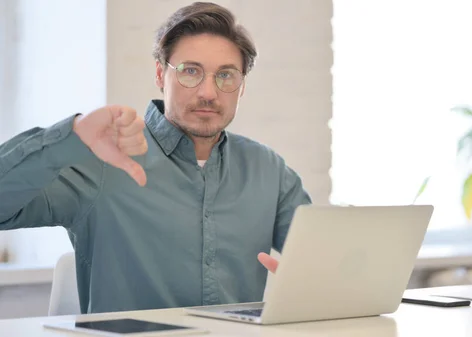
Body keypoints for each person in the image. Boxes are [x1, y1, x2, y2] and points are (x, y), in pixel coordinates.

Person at [0, 2, 311, 314]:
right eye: (191, 71)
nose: (209, 92)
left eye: (226, 75)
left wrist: (310, 283)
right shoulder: (102, 161)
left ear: (241, 86)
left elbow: (328, 264)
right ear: (161, 75)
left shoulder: (269, 171)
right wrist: (72, 135)